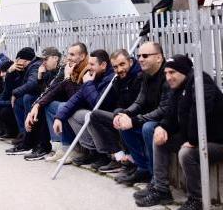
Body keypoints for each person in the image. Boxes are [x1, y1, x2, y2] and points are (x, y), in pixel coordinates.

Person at [134, 55, 223, 209]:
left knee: (186, 153)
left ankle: (196, 200)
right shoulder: (178, 87)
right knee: (159, 139)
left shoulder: (200, 82)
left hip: (216, 141)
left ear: (184, 71)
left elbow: (201, 111)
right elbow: (170, 112)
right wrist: (162, 127)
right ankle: (161, 189)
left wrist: (194, 141)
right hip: (196, 138)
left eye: (172, 72)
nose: (168, 77)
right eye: (166, 73)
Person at [114, 42, 171, 186]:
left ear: (159, 57)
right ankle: (142, 168)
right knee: (124, 123)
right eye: (139, 56)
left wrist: (134, 120)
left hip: (169, 122)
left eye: (145, 56)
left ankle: (155, 178)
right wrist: (125, 114)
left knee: (147, 127)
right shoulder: (146, 74)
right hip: (153, 117)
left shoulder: (167, 74)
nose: (140, 59)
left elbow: (165, 109)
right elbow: (140, 101)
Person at [53, 49, 116, 168]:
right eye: (89, 64)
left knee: (91, 115)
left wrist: (88, 84)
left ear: (103, 65)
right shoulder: (94, 77)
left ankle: (103, 154)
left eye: (92, 64)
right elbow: (75, 99)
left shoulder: (110, 78)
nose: (89, 67)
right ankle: (92, 151)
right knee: (72, 113)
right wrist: (59, 117)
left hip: (109, 118)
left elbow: (98, 104)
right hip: (98, 116)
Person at [88, 49, 142, 173]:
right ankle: (119, 157)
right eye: (115, 67)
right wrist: (118, 112)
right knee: (95, 115)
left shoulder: (139, 76)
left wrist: (122, 113)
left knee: (100, 115)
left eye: (122, 64)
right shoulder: (118, 79)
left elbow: (138, 103)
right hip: (123, 114)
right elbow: (119, 102)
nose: (119, 69)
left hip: (135, 116)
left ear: (130, 61)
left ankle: (131, 160)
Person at [20, 47, 63, 160]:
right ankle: (33, 142)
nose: (43, 63)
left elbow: (51, 92)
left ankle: (44, 146)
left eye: (45, 59)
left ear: (55, 58)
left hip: (63, 102)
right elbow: (44, 91)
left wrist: (37, 106)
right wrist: (40, 77)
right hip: (54, 99)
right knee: (30, 100)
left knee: (43, 107)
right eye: (42, 60)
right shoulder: (49, 71)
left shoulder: (61, 71)